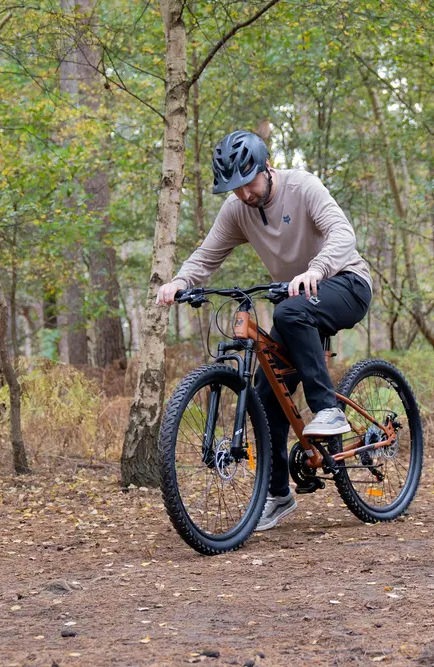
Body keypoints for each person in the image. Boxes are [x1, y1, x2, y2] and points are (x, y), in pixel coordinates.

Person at [155, 130, 372, 531]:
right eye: (234, 188)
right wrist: (181, 281)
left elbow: (344, 235)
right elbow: (208, 253)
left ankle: (327, 409)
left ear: (267, 167)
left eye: (248, 183)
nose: (244, 195)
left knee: (289, 314)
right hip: (298, 300)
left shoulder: (302, 186)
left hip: (345, 282)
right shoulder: (237, 209)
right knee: (264, 393)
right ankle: (277, 496)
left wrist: (316, 269)